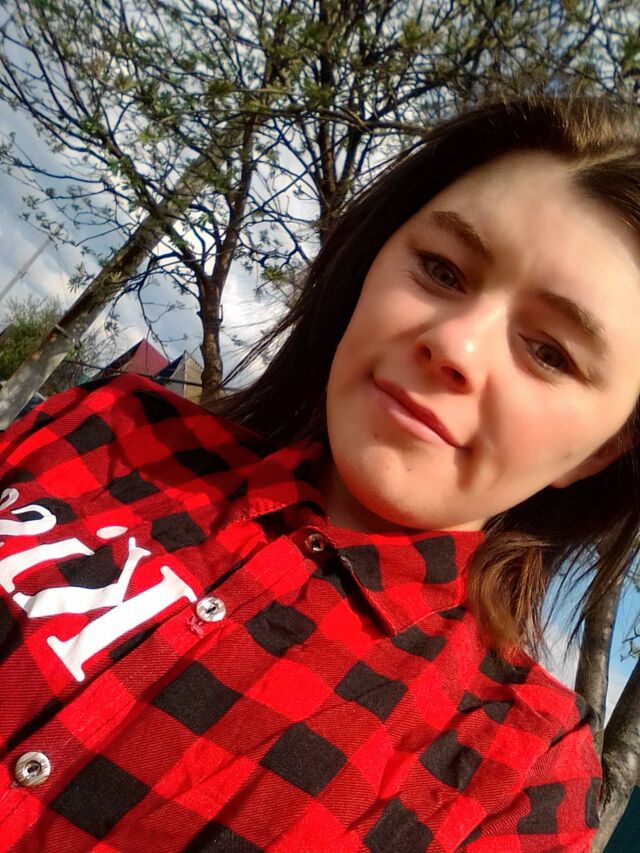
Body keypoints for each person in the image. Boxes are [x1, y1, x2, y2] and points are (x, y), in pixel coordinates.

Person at [0, 95, 638, 853]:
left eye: (550, 352)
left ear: (601, 451)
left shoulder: (519, 781)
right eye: (441, 269)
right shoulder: (108, 432)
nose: (454, 346)